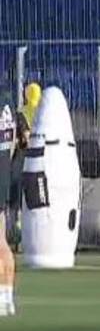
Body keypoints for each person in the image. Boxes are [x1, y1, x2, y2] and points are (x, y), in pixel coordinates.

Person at [9, 83, 40, 228]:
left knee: (17, 188)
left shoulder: (21, 112)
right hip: (39, 157)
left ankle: (17, 223)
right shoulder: (42, 112)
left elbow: (23, 138)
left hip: (22, 156)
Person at [0, 99, 18, 316]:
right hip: (3, 175)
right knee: (2, 241)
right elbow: (12, 144)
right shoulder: (7, 103)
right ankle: (6, 297)